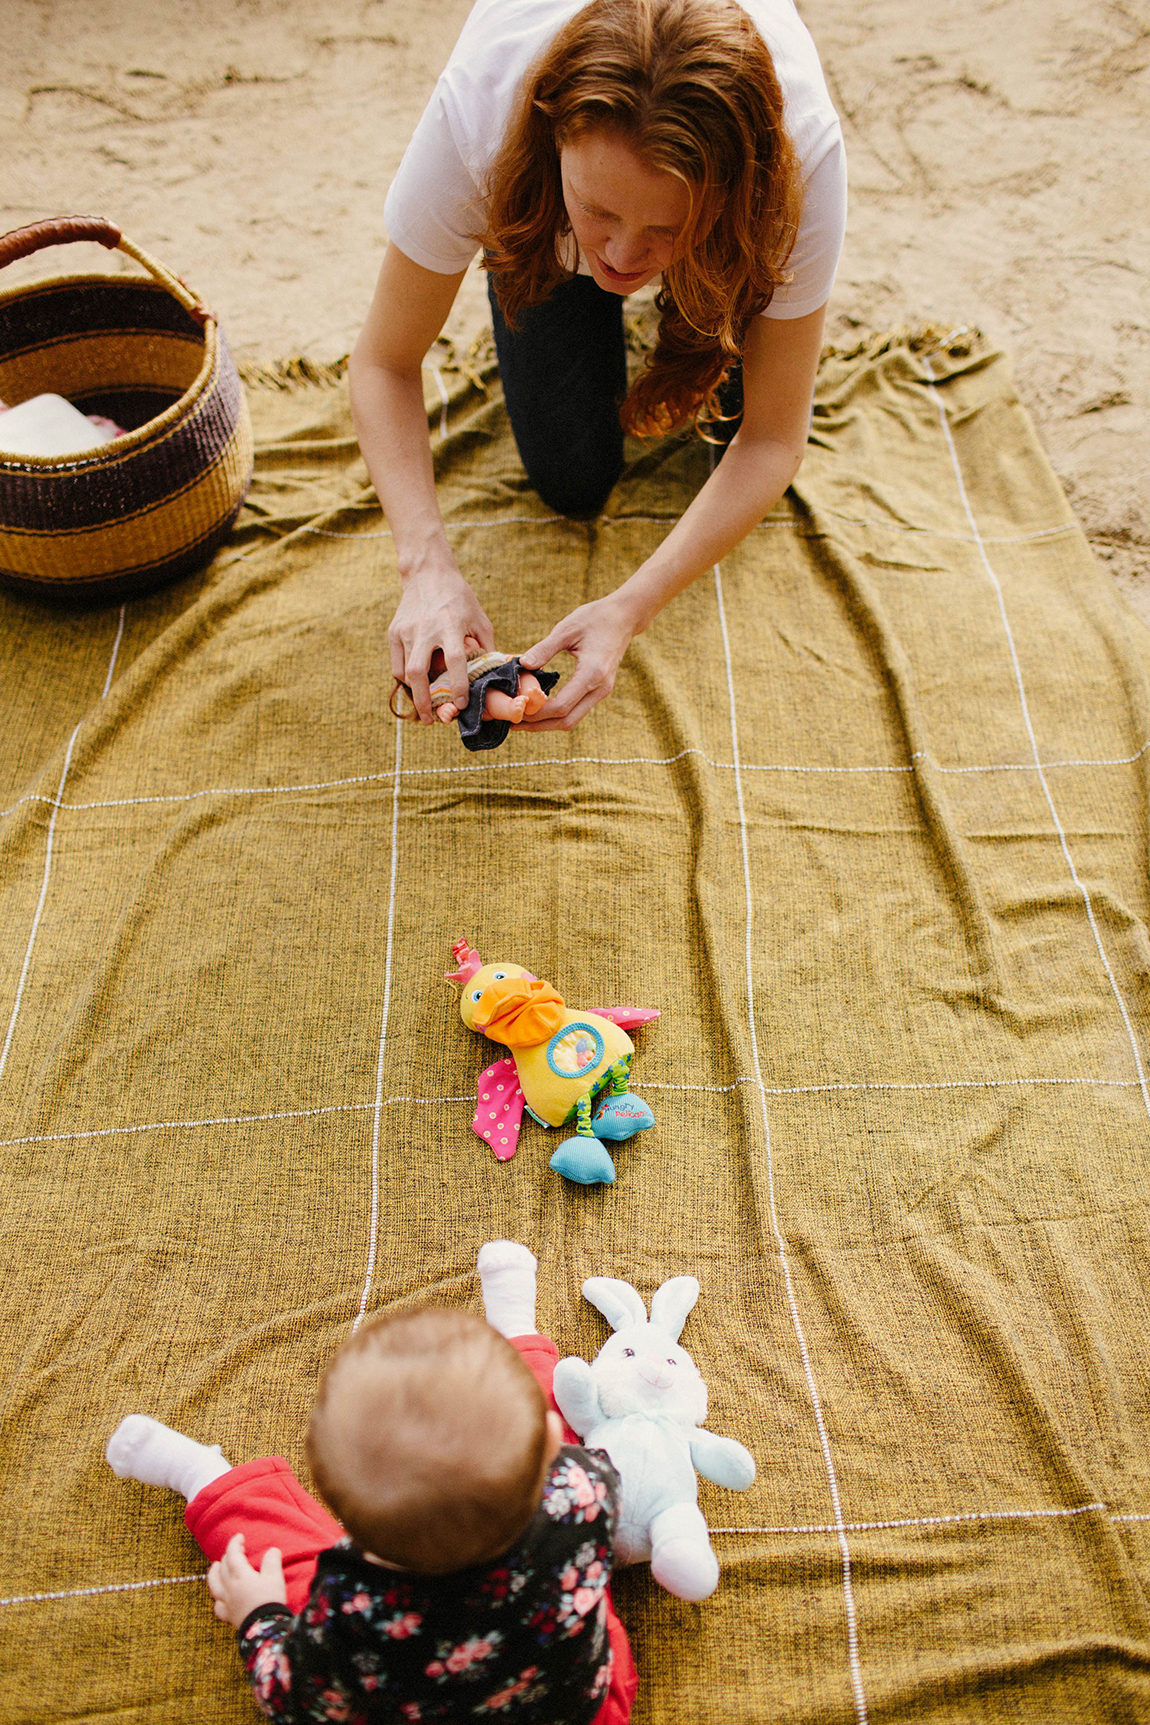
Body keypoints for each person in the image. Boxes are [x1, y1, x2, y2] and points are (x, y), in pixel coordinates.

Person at [350, 0, 846, 733]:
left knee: (731, 420)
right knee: (571, 475)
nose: (618, 257)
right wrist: (424, 567)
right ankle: (576, 229)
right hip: (530, 188)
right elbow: (383, 361)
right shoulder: (481, 117)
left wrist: (630, 606)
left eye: (663, 229)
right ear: (550, 135)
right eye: (597, 210)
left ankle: (688, 252)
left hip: (731, 222)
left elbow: (773, 439)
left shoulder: (800, 162)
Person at [104, 1244, 637, 1725]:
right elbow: (570, 1454)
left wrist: (259, 1616)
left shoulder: (348, 1605)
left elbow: (292, 1699)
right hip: (586, 1710)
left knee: (278, 1567)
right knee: (533, 1406)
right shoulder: (584, 1489)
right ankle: (518, 1334)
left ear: (349, 1530)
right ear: (551, 1447)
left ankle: (210, 1482)